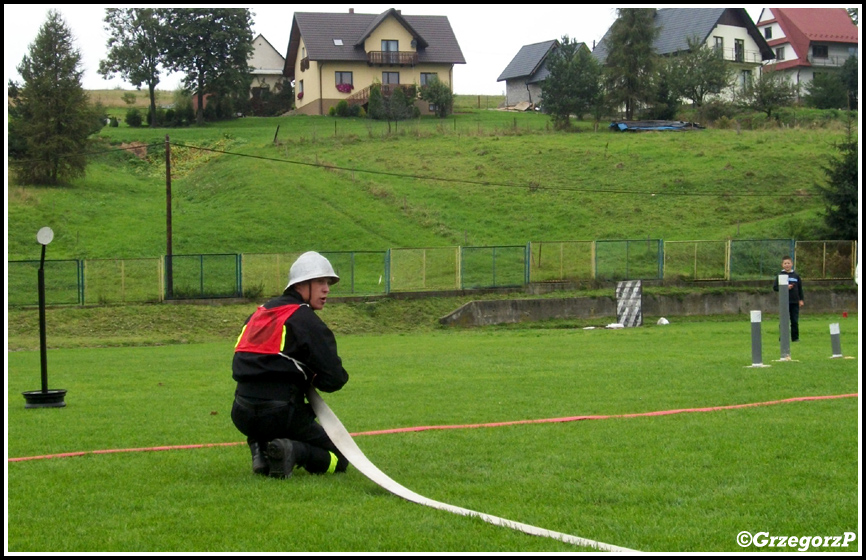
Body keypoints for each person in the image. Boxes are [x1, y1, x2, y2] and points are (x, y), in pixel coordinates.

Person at [231, 251, 349, 478]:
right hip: (281, 415)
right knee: (340, 459)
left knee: (262, 415)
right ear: (302, 285)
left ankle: (260, 448)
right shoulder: (305, 319)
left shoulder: (259, 314)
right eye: (321, 282)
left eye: (328, 283)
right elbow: (334, 380)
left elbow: (243, 361)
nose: (327, 289)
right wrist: (310, 375)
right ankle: (293, 451)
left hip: (241, 413)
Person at [772, 255, 804, 342]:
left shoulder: (796, 276)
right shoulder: (780, 275)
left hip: (794, 302)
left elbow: (800, 289)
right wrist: (785, 287)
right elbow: (775, 287)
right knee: (783, 321)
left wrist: (801, 299)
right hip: (784, 302)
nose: (787, 265)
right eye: (785, 263)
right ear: (782, 265)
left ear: (792, 264)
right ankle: (783, 337)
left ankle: (795, 338)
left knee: (794, 321)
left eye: (788, 263)